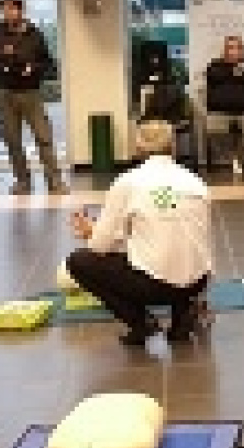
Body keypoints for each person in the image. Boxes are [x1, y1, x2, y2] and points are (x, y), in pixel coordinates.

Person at [66, 121, 214, 348]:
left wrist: (91, 232)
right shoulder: (196, 182)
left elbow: (99, 246)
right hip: (198, 282)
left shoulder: (127, 182)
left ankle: (142, 323)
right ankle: (183, 315)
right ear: (173, 147)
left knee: (79, 261)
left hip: (154, 286)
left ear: (138, 149)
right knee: (177, 249)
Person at [0, 0, 68, 195]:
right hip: (6, 92)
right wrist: (4, 54)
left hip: (31, 93)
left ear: (20, 11)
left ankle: (55, 182)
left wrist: (33, 68)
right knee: (12, 140)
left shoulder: (34, 34)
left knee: (43, 137)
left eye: (11, 9)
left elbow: (48, 63)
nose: (7, 14)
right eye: (4, 10)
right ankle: (23, 182)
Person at [203, 35, 244, 176]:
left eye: (237, 48)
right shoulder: (215, 65)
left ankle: (241, 159)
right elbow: (214, 77)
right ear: (224, 50)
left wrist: (238, 69)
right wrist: (233, 72)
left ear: (242, 50)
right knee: (213, 130)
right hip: (220, 111)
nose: (233, 51)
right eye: (230, 48)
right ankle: (231, 159)